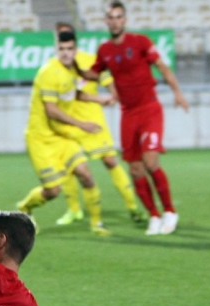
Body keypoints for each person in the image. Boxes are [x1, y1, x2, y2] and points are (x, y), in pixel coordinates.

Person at [75, 1, 189, 235]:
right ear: (106, 21)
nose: (114, 21)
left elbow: (162, 67)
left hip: (149, 109)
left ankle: (169, 211)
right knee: (135, 170)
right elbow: (93, 74)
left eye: (118, 16)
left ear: (124, 20)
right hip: (127, 114)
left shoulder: (141, 42)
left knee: (150, 162)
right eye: (110, 17)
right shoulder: (105, 50)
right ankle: (154, 215)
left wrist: (177, 92)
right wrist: (73, 66)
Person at [16, 30, 113, 236]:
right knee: (53, 191)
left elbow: (73, 93)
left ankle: (97, 224)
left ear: (75, 50)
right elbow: (51, 110)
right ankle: (25, 207)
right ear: (56, 49)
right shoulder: (49, 72)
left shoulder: (73, 69)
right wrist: (82, 124)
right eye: (62, 49)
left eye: (70, 49)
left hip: (60, 137)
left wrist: (100, 99)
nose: (66, 53)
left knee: (86, 175)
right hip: (40, 139)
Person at [51, 22, 146, 226]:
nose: (63, 45)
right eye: (59, 39)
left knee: (111, 161)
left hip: (93, 121)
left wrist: (112, 93)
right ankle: (74, 210)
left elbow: (105, 77)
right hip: (69, 125)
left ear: (74, 42)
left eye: (67, 40)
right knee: (69, 168)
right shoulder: (54, 67)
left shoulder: (87, 60)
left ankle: (132, 206)